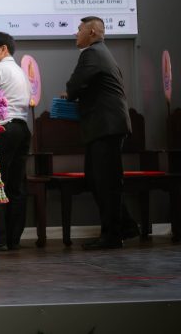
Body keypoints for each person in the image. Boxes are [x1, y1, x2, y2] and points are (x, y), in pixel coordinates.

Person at [66, 16, 137, 250]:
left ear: (92, 32)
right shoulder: (102, 53)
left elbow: (74, 86)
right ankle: (125, 226)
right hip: (107, 125)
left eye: (79, 29)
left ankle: (112, 235)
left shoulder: (92, 53)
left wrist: (71, 93)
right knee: (97, 179)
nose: (76, 33)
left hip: (106, 125)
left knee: (105, 182)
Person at [0, 32, 31, 251]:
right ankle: (14, 239)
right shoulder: (20, 71)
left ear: (4, 49)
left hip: (4, 130)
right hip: (23, 129)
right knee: (16, 186)